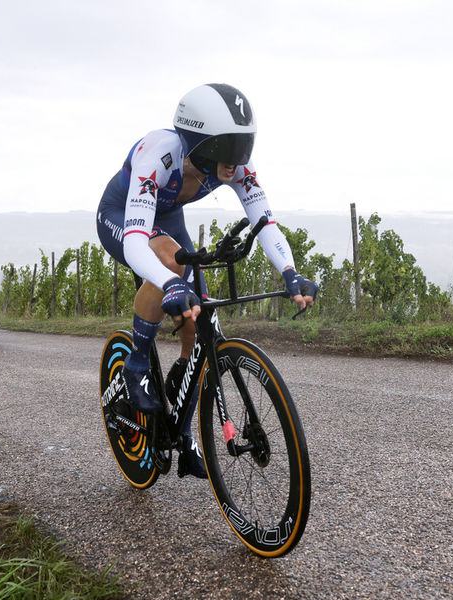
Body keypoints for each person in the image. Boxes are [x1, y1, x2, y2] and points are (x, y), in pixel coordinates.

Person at [95, 83, 318, 478]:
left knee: (198, 320)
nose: (236, 160)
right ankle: (137, 361)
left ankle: (181, 428)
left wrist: (290, 271)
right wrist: (169, 282)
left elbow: (266, 223)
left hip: (168, 221)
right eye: (227, 148)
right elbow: (135, 243)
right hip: (121, 217)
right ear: (199, 143)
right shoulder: (159, 152)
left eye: (243, 147)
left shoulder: (234, 167)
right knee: (171, 266)